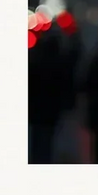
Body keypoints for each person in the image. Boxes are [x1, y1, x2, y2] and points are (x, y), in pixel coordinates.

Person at [28, 17, 65, 163]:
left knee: (37, 139)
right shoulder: (58, 65)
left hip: (37, 109)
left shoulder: (36, 62)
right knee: (47, 141)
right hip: (50, 110)